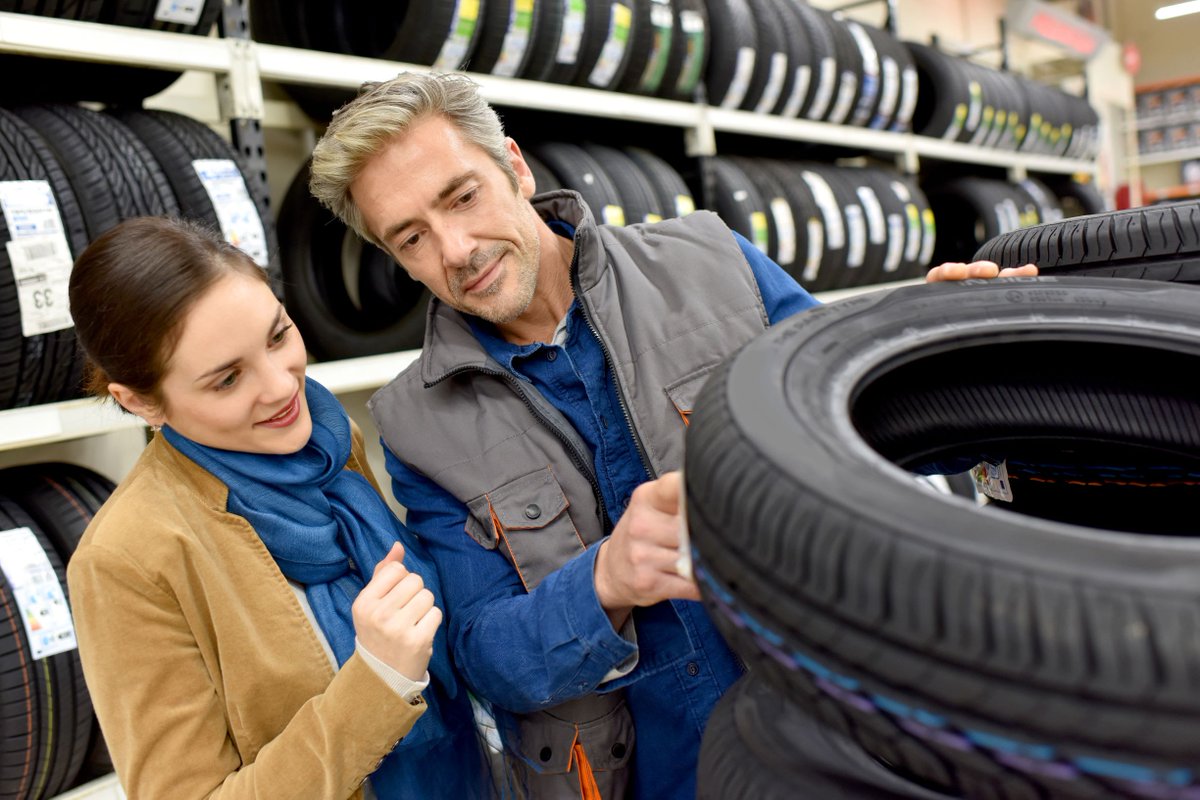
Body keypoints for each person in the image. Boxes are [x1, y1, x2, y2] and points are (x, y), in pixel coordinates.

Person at [308, 71, 1037, 799]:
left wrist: (950, 363)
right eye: (412, 237)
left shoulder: (713, 265)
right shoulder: (416, 423)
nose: (457, 248)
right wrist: (603, 582)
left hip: (837, 737)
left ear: (516, 167)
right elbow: (485, 653)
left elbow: (871, 425)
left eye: (462, 196)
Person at [64, 216, 491, 799]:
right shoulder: (128, 558)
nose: (281, 387)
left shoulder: (330, 444)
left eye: (277, 336)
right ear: (140, 401)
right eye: (227, 380)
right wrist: (378, 681)